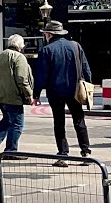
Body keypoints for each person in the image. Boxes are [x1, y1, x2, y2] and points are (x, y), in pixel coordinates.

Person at [33, 21, 92, 165]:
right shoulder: (76, 46)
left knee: (59, 123)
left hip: (55, 91)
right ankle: (85, 153)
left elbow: (41, 76)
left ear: (49, 34)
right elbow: (86, 69)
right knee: (79, 120)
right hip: (75, 90)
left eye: (45, 34)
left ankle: (63, 154)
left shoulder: (46, 50)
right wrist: (88, 86)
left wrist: (36, 94)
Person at [0, 34, 34, 158]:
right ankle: (11, 151)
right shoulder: (19, 57)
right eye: (23, 45)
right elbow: (21, 78)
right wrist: (29, 94)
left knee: (7, 120)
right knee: (17, 123)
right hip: (12, 96)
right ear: (19, 45)